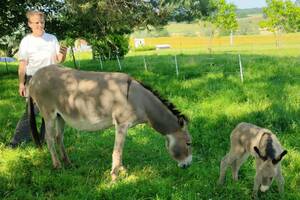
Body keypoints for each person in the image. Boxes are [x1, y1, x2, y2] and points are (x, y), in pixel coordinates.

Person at [9, 10, 67, 148]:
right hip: (34, 79)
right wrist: (21, 84)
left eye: (42, 22)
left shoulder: (52, 38)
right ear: (30, 24)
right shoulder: (26, 41)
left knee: (53, 111)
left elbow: (58, 60)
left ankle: (45, 139)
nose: (40, 25)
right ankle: (15, 142)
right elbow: (22, 64)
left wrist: (63, 54)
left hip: (52, 79)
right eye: (36, 23)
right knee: (31, 111)